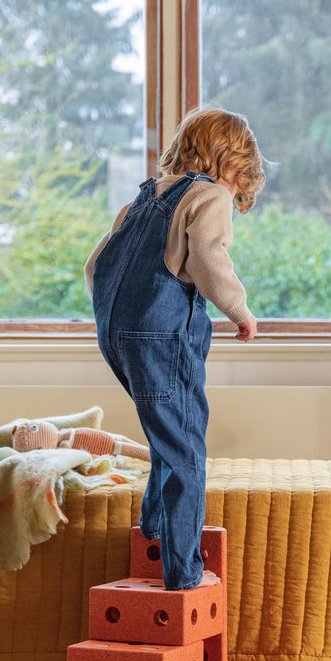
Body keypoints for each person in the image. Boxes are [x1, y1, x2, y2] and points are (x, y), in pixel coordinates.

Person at [84, 108, 265, 590]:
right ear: (231, 163)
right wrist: (240, 311)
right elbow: (209, 256)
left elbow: (97, 263)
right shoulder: (209, 195)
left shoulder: (144, 199)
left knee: (168, 434)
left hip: (116, 335)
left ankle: (154, 530)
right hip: (162, 337)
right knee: (187, 449)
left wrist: (116, 318)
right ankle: (183, 572)